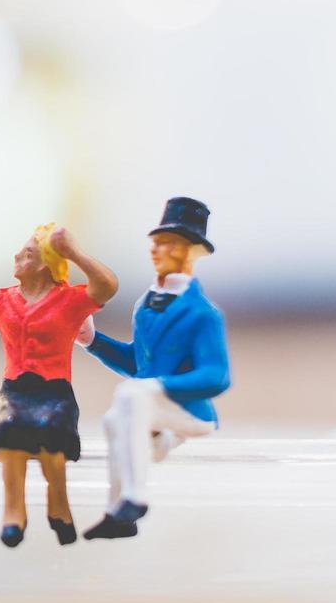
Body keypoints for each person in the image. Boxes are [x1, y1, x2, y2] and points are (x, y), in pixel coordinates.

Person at [0, 223, 118, 548]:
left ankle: (59, 507)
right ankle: (13, 512)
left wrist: (74, 252)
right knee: (8, 440)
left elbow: (106, 286)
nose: (18, 255)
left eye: (29, 252)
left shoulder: (69, 301)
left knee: (53, 446)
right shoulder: (5, 301)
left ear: (47, 264)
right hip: (16, 390)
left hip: (53, 391)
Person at [80, 196, 231, 540]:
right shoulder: (145, 306)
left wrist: (160, 387)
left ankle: (136, 498)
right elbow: (139, 363)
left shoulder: (202, 314)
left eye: (167, 244)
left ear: (189, 252)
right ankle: (116, 510)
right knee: (113, 419)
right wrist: (93, 341)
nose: (156, 250)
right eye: (156, 242)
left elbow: (216, 376)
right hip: (151, 410)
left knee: (132, 396)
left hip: (190, 412)